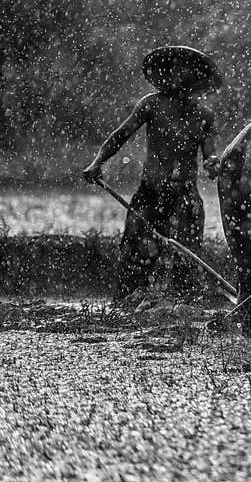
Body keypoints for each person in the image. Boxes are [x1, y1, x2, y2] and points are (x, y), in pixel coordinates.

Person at [82, 45, 223, 300]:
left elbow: (210, 152)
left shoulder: (203, 115)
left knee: (186, 256)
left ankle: (183, 305)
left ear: (196, 78)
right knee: (135, 252)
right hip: (151, 192)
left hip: (185, 195)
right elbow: (120, 136)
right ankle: (127, 302)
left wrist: (214, 163)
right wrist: (97, 162)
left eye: (185, 71)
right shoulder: (152, 105)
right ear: (166, 74)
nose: (179, 76)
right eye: (175, 69)